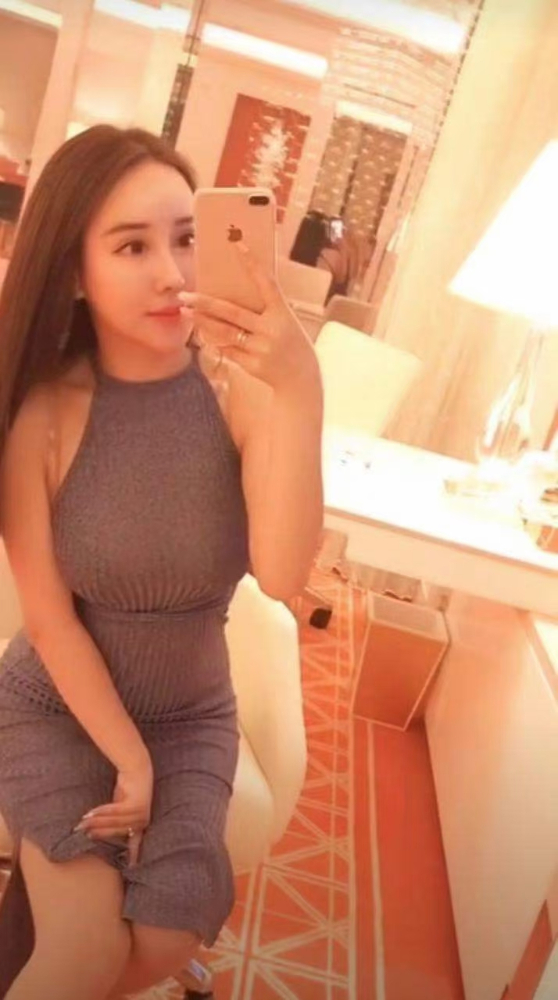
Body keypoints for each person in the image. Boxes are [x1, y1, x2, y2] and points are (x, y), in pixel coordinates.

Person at [0, 125, 323, 1000]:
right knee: (83, 953)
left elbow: (283, 574)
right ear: (75, 271)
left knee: (164, 936)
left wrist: (301, 391)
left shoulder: (237, 392)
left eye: (185, 238)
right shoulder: (44, 416)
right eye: (132, 246)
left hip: (190, 718)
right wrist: (129, 761)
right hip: (57, 708)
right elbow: (51, 622)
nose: (173, 272)